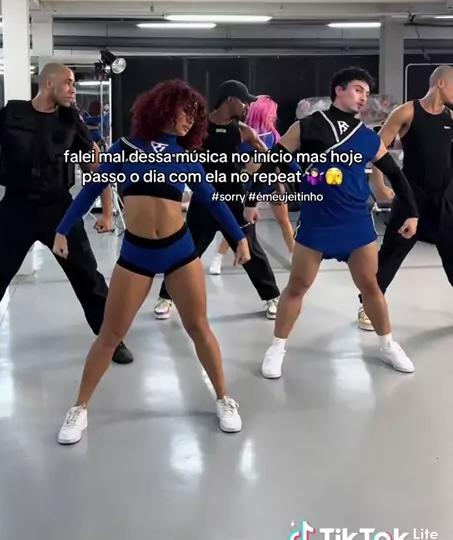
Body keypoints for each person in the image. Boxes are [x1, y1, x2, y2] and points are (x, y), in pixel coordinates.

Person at [54, 80, 250, 443]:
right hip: (136, 254)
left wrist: (238, 236)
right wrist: (62, 229)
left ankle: (224, 398)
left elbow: (212, 199)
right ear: (162, 109)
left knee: (199, 328)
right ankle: (79, 407)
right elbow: (89, 191)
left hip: (180, 252)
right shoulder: (124, 150)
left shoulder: (185, 157)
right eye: (184, 112)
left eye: (194, 115)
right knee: (110, 335)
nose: (190, 120)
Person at [244, 66, 419, 378]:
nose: (363, 97)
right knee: (297, 286)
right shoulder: (307, 126)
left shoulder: (367, 137)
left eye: (367, 93)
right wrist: (250, 201)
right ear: (339, 90)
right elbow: (272, 163)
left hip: (356, 225)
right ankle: (277, 348)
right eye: (357, 90)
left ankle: (388, 345)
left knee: (371, 287)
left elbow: (396, 175)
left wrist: (412, 212)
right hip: (317, 224)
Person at [0, 63, 133, 370]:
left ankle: (111, 339)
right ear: (48, 83)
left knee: (87, 276)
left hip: (59, 209)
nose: (73, 89)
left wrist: (108, 212)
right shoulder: (9, 115)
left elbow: (97, 168)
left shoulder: (72, 121)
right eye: (68, 82)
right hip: (16, 208)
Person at [153, 80, 281, 321]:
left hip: (234, 200)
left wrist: (269, 183)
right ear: (230, 100)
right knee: (187, 249)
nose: (246, 107)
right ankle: (166, 296)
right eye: (244, 102)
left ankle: (272, 296)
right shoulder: (197, 127)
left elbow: (270, 159)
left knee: (251, 249)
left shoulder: (244, 131)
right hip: (204, 199)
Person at [357, 65, 453, 331]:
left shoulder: (450, 117)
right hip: (412, 198)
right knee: (391, 253)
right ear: (441, 83)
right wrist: (378, 183)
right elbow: (378, 148)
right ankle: (368, 305)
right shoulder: (407, 112)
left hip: (443, 199)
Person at [209, 95, 295, 274]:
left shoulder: (273, 135)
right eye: (271, 113)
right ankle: (218, 257)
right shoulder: (244, 134)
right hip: (249, 186)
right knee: (241, 224)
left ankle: (296, 258)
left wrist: (280, 182)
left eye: (274, 114)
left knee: (284, 222)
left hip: (271, 184)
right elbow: (245, 164)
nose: (273, 117)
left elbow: (279, 161)